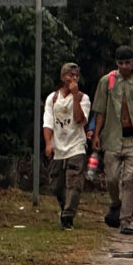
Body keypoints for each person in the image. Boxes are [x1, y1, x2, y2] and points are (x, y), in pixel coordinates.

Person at [92, 45, 133, 235]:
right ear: (116, 63)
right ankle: (116, 204)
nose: (125, 67)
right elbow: (100, 111)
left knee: (129, 178)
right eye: (121, 63)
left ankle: (126, 220)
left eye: (128, 63)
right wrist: (96, 135)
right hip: (112, 137)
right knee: (111, 178)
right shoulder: (107, 82)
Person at [43, 63, 91, 230]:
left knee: (74, 182)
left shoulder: (83, 98)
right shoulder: (53, 98)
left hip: (76, 145)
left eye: (76, 75)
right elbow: (48, 122)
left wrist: (76, 95)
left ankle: (68, 215)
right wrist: (49, 143)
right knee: (56, 183)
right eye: (70, 75)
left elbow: (79, 119)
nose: (74, 78)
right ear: (63, 77)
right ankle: (66, 206)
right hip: (59, 145)